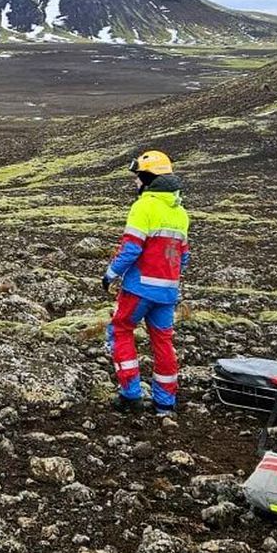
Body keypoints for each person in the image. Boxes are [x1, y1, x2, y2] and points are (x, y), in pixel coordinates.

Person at [103, 150, 190, 416]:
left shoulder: (144, 206)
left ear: (149, 178)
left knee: (120, 331)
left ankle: (130, 395)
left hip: (138, 288)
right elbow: (183, 257)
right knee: (163, 342)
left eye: (138, 176)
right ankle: (165, 404)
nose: (135, 182)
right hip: (167, 292)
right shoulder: (180, 213)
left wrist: (110, 273)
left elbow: (131, 248)